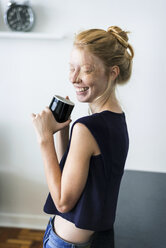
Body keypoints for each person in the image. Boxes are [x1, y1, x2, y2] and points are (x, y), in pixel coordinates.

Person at [31, 25, 134, 248]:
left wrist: (44, 138)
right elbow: (70, 175)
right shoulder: (115, 120)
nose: (74, 78)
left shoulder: (87, 128)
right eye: (72, 68)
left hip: (66, 243)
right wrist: (61, 131)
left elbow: (63, 202)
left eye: (86, 70)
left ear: (112, 72)